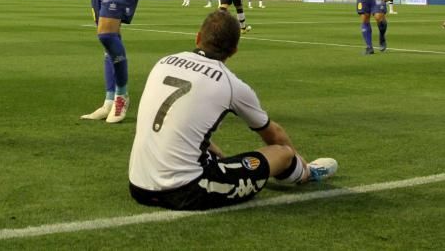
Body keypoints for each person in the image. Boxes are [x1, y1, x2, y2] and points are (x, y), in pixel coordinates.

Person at [128, 12, 338, 210]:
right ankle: (307, 172)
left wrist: (215, 152)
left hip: (138, 185)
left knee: (210, 150)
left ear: (198, 37)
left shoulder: (163, 62)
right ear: (234, 50)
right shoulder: (230, 83)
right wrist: (295, 157)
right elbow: (274, 135)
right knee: (282, 153)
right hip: (184, 191)